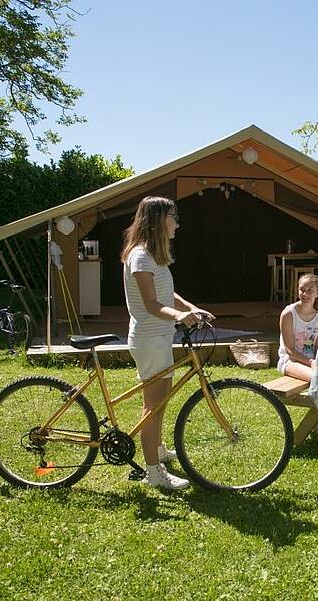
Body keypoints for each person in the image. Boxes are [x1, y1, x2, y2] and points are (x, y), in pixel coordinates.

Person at [121, 196, 214, 490]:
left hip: (160, 336)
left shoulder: (153, 255)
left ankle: (157, 448)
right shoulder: (139, 256)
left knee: (160, 401)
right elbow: (150, 304)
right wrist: (179, 316)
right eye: (172, 218)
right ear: (159, 220)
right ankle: (153, 471)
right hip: (149, 338)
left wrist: (190, 308)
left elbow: (168, 294)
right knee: (153, 405)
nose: (176, 224)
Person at [277, 274, 318, 439]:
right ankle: (317, 425)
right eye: (302, 289)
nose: (305, 293)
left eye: (310, 290)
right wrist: (311, 363)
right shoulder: (288, 314)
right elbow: (290, 351)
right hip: (290, 361)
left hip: (312, 361)